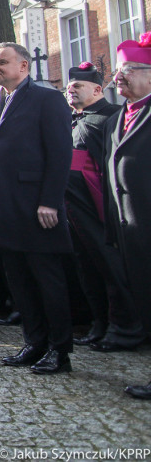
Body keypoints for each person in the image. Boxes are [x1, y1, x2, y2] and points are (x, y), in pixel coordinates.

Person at [0, 42, 73, 375]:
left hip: (36, 208)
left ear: (24, 66)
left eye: (3, 62)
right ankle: (34, 343)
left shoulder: (46, 99)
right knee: (19, 283)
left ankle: (60, 350)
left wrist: (50, 200)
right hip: (3, 210)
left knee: (47, 281)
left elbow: (61, 154)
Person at [64, 62, 143, 352]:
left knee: (112, 270)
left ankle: (122, 327)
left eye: (77, 88)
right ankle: (98, 323)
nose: (70, 93)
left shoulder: (111, 117)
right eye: (68, 89)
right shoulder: (74, 119)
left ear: (97, 89)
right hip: (75, 210)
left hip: (101, 210)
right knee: (87, 269)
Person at [105, 34, 151, 399]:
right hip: (130, 227)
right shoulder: (122, 114)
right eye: (118, 71)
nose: (119, 77)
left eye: (129, 70)